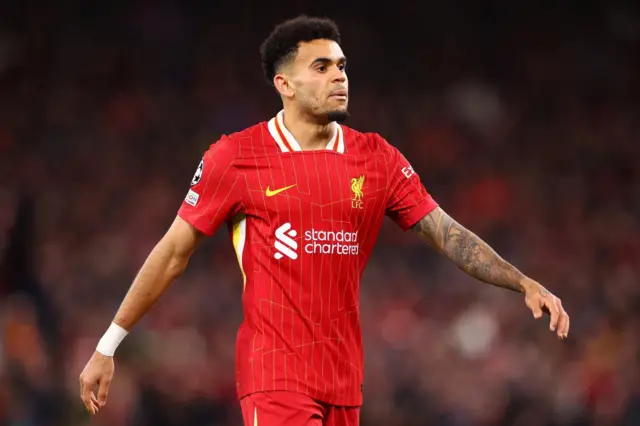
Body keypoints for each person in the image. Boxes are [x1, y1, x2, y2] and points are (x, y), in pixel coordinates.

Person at [79, 15, 570, 426]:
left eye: (341, 65)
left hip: (343, 380)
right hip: (274, 376)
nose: (339, 76)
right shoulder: (236, 157)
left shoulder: (376, 158)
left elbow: (447, 234)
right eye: (322, 67)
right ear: (285, 85)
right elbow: (172, 253)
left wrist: (521, 282)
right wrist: (108, 345)